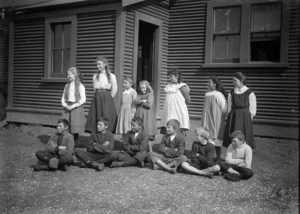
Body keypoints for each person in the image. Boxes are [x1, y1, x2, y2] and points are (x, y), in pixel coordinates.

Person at [223, 72, 257, 149]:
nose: (233, 83)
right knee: (234, 136)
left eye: (235, 81)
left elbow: (252, 108)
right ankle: (233, 155)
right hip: (233, 117)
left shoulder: (249, 93)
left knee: (243, 136)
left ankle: (244, 156)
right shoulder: (231, 93)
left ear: (241, 80)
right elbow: (229, 107)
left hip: (244, 118)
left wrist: (249, 118)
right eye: (233, 81)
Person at [85, 56, 118, 133]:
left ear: (105, 64)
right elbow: (94, 88)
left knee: (105, 114)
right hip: (97, 96)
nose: (98, 66)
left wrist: (108, 97)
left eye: (99, 64)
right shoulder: (95, 76)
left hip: (106, 97)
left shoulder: (111, 76)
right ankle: (96, 132)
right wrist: (98, 95)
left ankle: (106, 133)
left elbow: (114, 89)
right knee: (96, 114)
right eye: (97, 64)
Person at [200, 76, 227, 160]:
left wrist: (219, 117)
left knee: (216, 138)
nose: (207, 84)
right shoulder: (206, 94)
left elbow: (224, 108)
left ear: (214, 84)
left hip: (216, 120)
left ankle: (218, 157)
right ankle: (208, 156)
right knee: (206, 136)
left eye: (209, 82)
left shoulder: (218, 94)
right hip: (206, 119)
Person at [160, 68, 191, 135]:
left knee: (177, 125)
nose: (169, 78)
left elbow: (187, 100)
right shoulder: (168, 86)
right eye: (169, 76)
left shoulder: (182, 86)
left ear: (177, 76)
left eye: (171, 76)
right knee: (169, 124)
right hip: (169, 110)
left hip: (178, 110)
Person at [61, 67, 86, 147]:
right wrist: (65, 105)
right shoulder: (67, 86)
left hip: (76, 109)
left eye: (69, 74)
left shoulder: (80, 86)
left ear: (75, 75)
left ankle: (73, 146)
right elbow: (63, 98)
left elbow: (83, 99)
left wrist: (73, 106)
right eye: (67, 74)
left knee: (74, 129)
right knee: (66, 128)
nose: (68, 76)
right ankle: (65, 145)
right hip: (67, 108)